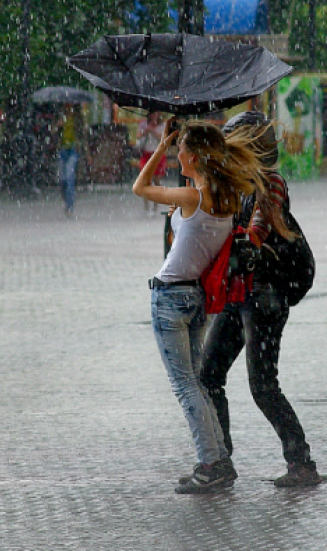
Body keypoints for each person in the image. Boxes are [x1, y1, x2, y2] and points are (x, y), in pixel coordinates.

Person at [133, 118, 265, 494]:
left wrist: (158, 147)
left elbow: (139, 187)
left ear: (193, 155)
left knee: (185, 385)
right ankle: (220, 458)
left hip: (170, 296)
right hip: (196, 298)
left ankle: (210, 463)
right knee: (198, 383)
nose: (177, 154)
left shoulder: (192, 198)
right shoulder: (224, 198)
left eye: (180, 150)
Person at [198, 110, 321, 488]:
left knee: (263, 385)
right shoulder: (236, 183)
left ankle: (301, 462)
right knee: (209, 375)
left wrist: (248, 243)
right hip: (239, 295)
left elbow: (262, 223)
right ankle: (220, 459)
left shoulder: (270, 183)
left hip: (264, 296)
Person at [137, 111, 166, 215]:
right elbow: (138, 136)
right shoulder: (143, 124)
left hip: (157, 154)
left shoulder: (163, 125)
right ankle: (146, 206)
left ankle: (155, 206)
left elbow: (163, 139)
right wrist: (145, 131)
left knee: (156, 181)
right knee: (145, 181)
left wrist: (153, 131)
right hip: (146, 153)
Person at [57, 103, 81, 216]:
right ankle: (66, 199)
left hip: (73, 150)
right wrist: (58, 126)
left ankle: (69, 206)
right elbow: (53, 132)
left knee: (69, 178)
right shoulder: (61, 117)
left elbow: (82, 135)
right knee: (62, 179)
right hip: (62, 150)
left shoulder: (77, 119)